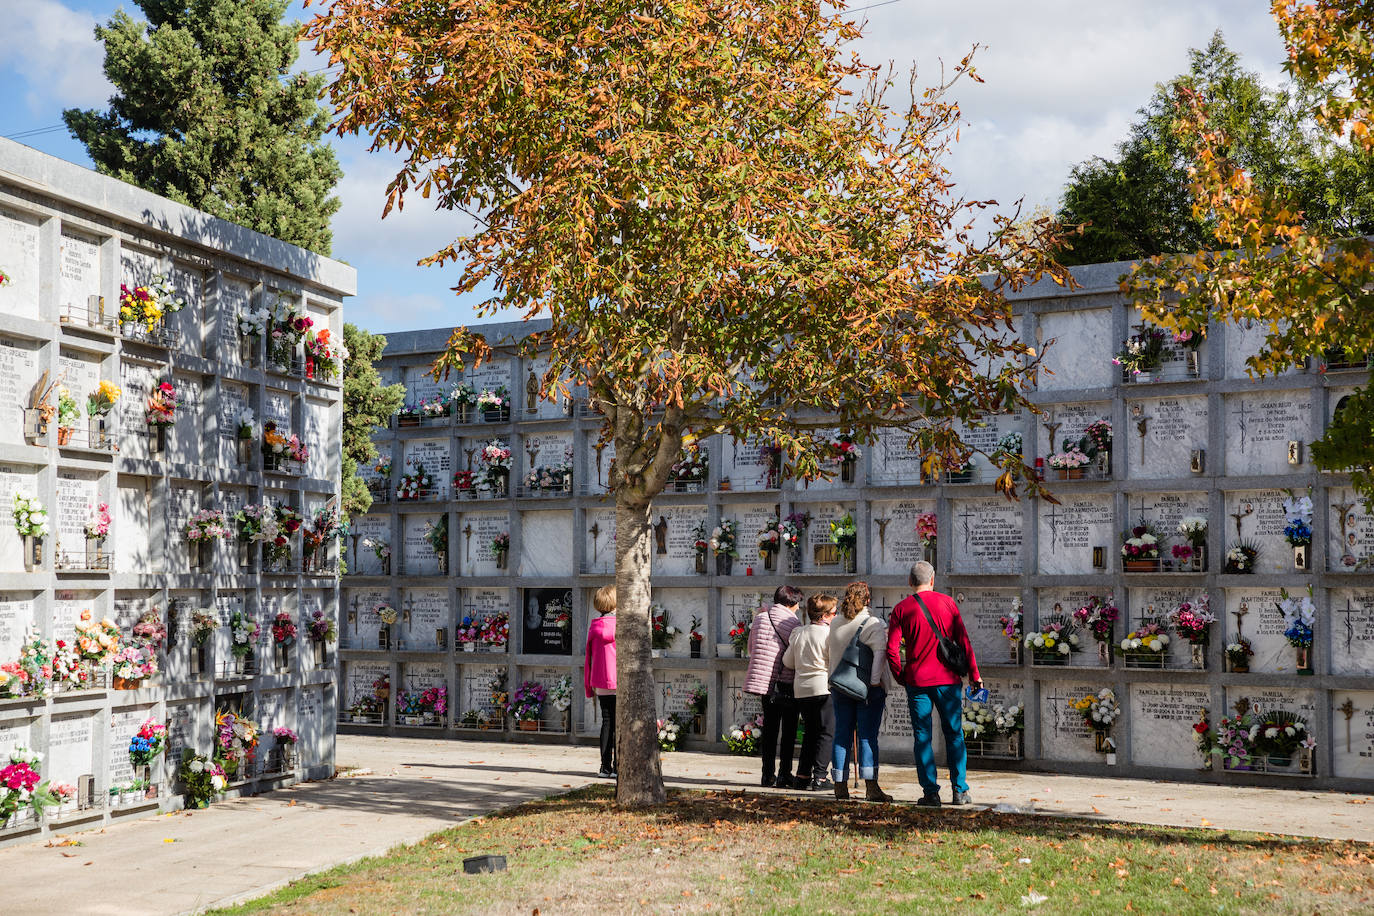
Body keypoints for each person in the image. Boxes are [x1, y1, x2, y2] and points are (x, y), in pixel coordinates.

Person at [886, 560, 982, 806]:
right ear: (932, 580)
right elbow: (964, 641)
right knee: (954, 734)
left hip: (917, 682)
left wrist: (901, 676)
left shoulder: (901, 609)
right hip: (947, 681)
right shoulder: (948, 603)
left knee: (922, 737)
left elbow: (892, 650)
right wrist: (974, 675)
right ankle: (960, 790)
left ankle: (930, 792)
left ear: (910, 581)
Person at [826, 581, 894, 802]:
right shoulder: (872, 623)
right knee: (866, 737)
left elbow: (830, 651)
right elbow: (880, 655)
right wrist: (875, 683)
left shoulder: (835, 622)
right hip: (866, 690)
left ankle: (840, 785)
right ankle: (871, 787)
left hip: (840, 686)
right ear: (867, 600)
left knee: (841, 735)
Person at [744, 585, 803, 788]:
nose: (798, 607)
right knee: (788, 731)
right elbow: (795, 654)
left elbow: (751, 648)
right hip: (785, 682)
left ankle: (766, 775)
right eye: (797, 603)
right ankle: (784, 774)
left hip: (765, 683)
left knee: (769, 730)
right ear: (791, 603)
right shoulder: (793, 622)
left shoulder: (760, 618)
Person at [783, 593, 837, 792]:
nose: (835, 616)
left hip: (802, 689)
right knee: (826, 733)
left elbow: (788, 662)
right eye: (833, 613)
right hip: (823, 687)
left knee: (809, 733)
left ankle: (802, 775)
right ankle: (820, 778)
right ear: (824, 615)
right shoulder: (829, 634)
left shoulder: (799, 633)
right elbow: (834, 660)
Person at [584, 585, 618, 778]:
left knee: (606, 722)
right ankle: (618, 768)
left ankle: (605, 767)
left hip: (600, 682)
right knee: (618, 725)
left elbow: (588, 658)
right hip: (619, 681)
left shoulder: (594, 626)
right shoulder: (620, 625)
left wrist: (589, 686)